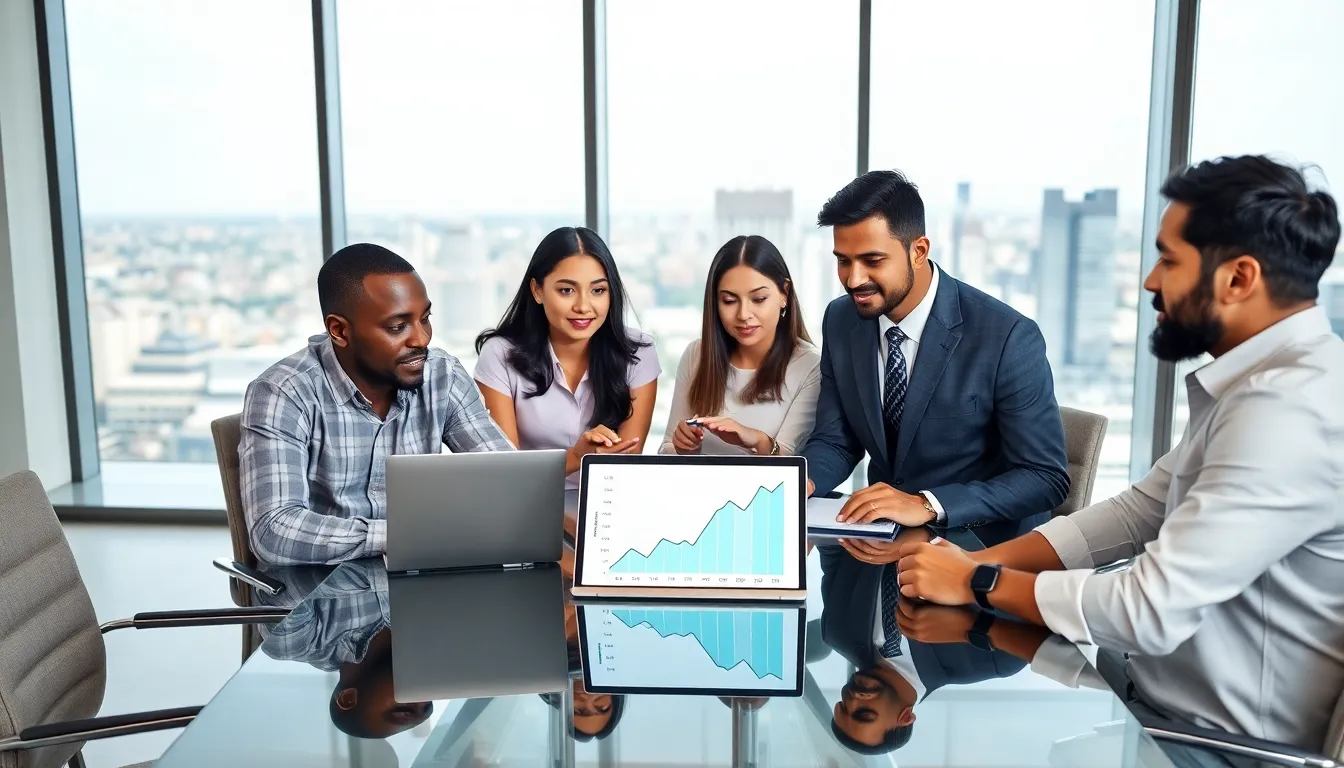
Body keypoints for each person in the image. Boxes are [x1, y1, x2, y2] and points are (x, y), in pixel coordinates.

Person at [894, 155, 1344, 752]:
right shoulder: (1263, 383)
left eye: (1169, 259)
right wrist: (973, 564)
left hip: (1212, 746)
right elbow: (1137, 515)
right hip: (1147, 694)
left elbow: (1148, 610)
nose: (1151, 281)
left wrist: (979, 580)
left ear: (1238, 278)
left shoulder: (1287, 409)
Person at [802, 170, 1069, 546]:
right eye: (843, 260)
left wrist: (927, 504)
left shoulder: (1007, 336)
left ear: (918, 251)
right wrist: (801, 483)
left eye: (872, 260)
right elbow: (836, 439)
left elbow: (1045, 477)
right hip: (878, 542)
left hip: (982, 549)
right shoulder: (841, 319)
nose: (853, 278)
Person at [241, 244, 513, 567]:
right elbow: (273, 530)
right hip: (319, 602)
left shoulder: (443, 375)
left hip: (419, 590)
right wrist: (400, 535)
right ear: (340, 331)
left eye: (424, 319)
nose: (422, 339)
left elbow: (509, 481)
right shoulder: (282, 393)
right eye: (398, 327)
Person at [475, 227, 660, 489]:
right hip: (527, 504)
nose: (583, 306)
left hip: (605, 503)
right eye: (566, 290)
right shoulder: (499, 355)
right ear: (537, 291)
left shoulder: (638, 351)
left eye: (597, 291)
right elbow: (507, 474)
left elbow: (624, 469)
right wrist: (576, 458)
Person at [820, 529, 1024, 754]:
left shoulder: (838, 633)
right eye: (865, 713)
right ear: (905, 717)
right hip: (988, 502)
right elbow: (1026, 571)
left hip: (883, 499)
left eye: (843, 706)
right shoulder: (995, 658)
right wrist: (931, 537)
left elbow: (833, 548)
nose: (853, 699)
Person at [660, 235, 821, 457]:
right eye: (729, 301)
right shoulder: (696, 355)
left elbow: (790, 463)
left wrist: (753, 439)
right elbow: (666, 451)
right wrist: (684, 446)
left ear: (784, 294)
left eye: (758, 299)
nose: (744, 315)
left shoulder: (809, 365)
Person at [260, 561, 434, 740]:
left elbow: (286, 586)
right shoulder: (434, 633)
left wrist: (406, 571)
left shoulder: (298, 644)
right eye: (427, 706)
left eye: (403, 709)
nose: (421, 697)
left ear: (348, 698)